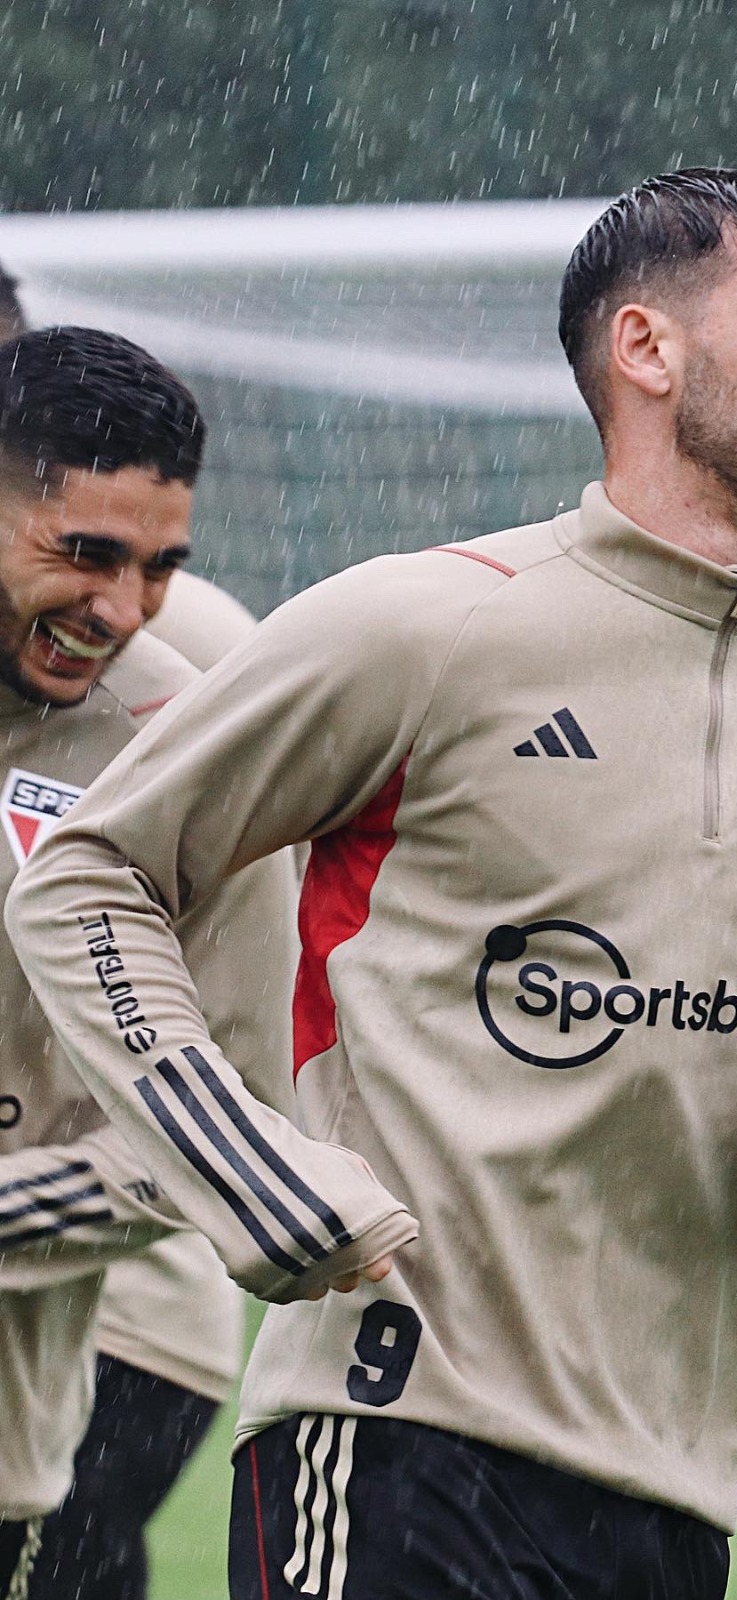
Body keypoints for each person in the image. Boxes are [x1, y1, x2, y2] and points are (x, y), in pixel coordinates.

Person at [7, 169, 737, 1598]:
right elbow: (91, 876)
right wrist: (241, 1161)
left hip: (680, 1484)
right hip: (389, 1430)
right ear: (647, 350)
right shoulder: (423, 625)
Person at [0, 326, 297, 1599]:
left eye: (159, 567)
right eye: (84, 554)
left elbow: (231, 1122)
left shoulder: (186, 740)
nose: (121, 610)